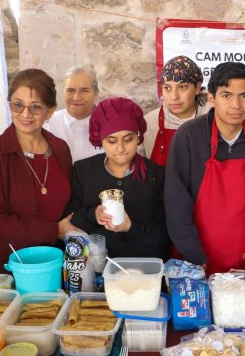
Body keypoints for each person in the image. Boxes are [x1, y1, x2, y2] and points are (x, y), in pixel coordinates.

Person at [165, 62, 245, 274]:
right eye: (226, 95)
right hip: (197, 259)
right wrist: (194, 255)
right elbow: (176, 203)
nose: (236, 105)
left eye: (244, 95)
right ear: (211, 98)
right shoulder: (189, 137)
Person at [0, 69, 73, 274]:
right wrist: (54, 231)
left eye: (36, 107)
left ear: (50, 111)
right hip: (12, 264)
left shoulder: (60, 148)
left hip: (56, 261)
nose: (25, 114)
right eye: (17, 105)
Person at [65, 97, 169, 259]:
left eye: (128, 139)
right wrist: (93, 214)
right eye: (112, 141)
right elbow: (70, 221)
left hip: (146, 267)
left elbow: (165, 235)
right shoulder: (84, 171)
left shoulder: (156, 175)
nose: (120, 148)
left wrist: (130, 227)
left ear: (138, 137)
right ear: (100, 139)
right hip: (98, 268)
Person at [143, 55, 210, 165]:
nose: (174, 97)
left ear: (197, 88)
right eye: (167, 88)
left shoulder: (212, 119)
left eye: (182, 87)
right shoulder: (149, 123)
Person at [43, 66, 103, 163]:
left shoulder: (109, 126)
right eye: (70, 90)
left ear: (96, 94)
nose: (76, 97)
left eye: (84, 90)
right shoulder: (47, 124)